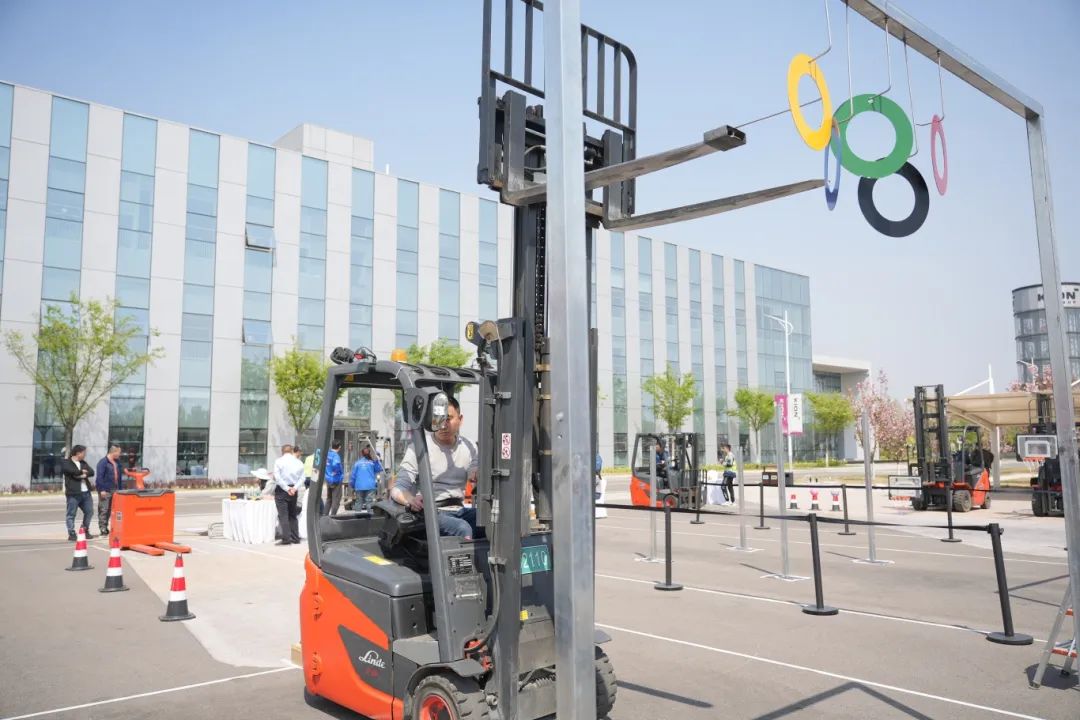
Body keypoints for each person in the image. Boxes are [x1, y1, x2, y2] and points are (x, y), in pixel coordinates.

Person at [391, 396, 481, 539]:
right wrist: (410, 500)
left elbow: (474, 476)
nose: (443, 425)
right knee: (462, 528)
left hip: (459, 509)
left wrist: (478, 475)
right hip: (430, 511)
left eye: (448, 419)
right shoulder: (418, 448)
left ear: (460, 419)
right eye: (437, 419)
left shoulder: (470, 447)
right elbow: (398, 488)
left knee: (489, 522)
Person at [60, 445, 95, 541]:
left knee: (89, 511)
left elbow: (92, 472)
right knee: (71, 514)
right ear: (78, 453)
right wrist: (81, 472)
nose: (85, 455)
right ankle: (71, 533)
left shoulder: (83, 463)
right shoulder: (66, 462)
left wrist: (82, 474)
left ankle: (84, 529)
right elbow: (70, 471)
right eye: (84, 453)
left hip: (86, 493)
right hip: (73, 493)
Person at [272, 444, 304, 545]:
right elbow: (302, 478)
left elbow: (277, 477)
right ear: (291, 451)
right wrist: (294, 488)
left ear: (282, 451)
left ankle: (286, 539)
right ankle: (295, 537)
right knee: (292, 514)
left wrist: (286, 488)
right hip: (293, 489)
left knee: (283, 515)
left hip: (282, 490)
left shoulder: (278, 461)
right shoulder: (299, 462)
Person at [94, 445, 123, 535]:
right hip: (105, 490)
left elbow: (119, 477)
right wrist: (102, 489)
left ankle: (106, 527)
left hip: (115, 489)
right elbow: (99, 477)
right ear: (114, 452)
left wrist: (120, 490)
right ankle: (102, 528)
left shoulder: (117, 462)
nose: (120, 454)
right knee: (104, 509)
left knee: (111, 510)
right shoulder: (103, 462)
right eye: (119, 452)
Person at [350, 445, 384, 512]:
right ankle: (370, 516)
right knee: (370, 503)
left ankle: (357, 516)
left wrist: (353, 485)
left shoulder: (357, 463)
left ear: (362, 454)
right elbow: (379, 469)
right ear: (369, 453)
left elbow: (353, 476)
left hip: (359, 486)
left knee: (359, 502)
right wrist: (378, 460)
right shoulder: (372, 463)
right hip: (370, 486)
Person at [324, 441, 345, 515]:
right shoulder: (336, 456)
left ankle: (325, 515)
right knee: (336, 499)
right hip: (336, 479)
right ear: (339, 447)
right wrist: (336, 472)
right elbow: (336, 465)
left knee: (329, 498)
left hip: (328, 479)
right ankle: (333, 515)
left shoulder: (328, 454)